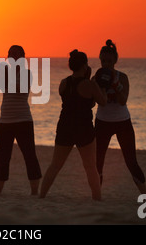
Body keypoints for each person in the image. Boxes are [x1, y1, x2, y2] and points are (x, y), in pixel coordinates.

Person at [40, 50, 106, 200]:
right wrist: (99, 87)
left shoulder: (64, 83)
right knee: (90, 167)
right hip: (83, 128)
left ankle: (41, 196)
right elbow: (102, 102)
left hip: (65, 126)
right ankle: (97, 198)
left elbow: (73, 99)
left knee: (55, 165)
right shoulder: (90, 85)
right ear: (84, 66)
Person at [94, 40, 146, 194]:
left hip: (122, 122)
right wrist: (100, 87)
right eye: (103, 61)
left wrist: (115, 83)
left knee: (131, 161)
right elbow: (96, 102)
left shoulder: (122, 77)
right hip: (102, 122)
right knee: (98, 162)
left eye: (109, 61)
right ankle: (97, 196)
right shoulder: (96, 78)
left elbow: (123, 100)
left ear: (115, 60)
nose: (106, 64)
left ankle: (144, 195)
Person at [0, 45, 42, 195]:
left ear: (22, 58)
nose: (12, 57)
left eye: (15, 55)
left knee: (29, 156)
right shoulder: (5, 74)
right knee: (3, 158)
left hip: (23, 121)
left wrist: (1, 76)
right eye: (9, 54)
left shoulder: (26, 73)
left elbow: (19, 88)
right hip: (5, 121)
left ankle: (34, 192)